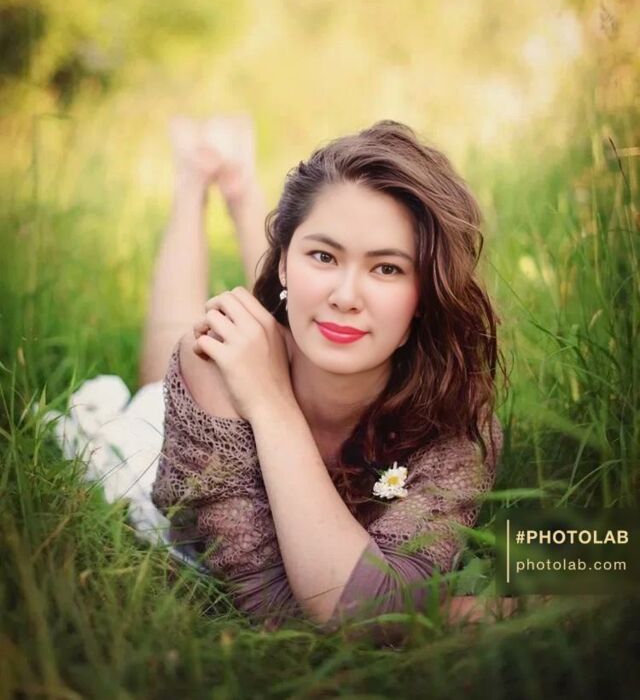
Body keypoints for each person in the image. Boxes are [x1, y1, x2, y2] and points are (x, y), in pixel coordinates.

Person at [46, 115, 519, 646]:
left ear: (426, 292)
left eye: (387, 268)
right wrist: (269, 402)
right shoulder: (217, 369)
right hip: (160, 445)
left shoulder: (456, 415)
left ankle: (239, 185)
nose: (346, 295)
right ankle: (193, 181)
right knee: (164, 377)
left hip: (268, 371)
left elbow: (370, 606)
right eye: (322, 255)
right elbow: (286, 607)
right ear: (284, 264)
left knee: (279, 324)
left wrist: (272, 402)